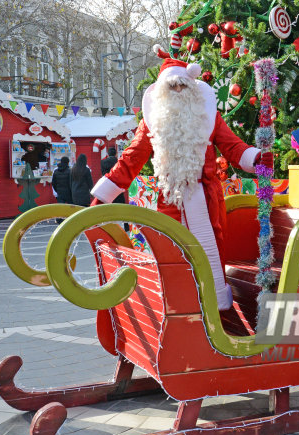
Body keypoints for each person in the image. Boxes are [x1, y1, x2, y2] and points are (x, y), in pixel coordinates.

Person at [90, 56, 273, 311]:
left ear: (192, 88)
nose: (177, 91)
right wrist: (104, 194)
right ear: (162, 91)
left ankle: (214, 313)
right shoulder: (151, 122)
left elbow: (233, 146)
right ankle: (179, 313)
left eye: (183, 86)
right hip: (170, 200)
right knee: (173, 256)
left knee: (210, 255)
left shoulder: (210, 118)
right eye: (172, 87)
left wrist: (256, 158)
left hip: (207, 201)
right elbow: (131, 159)